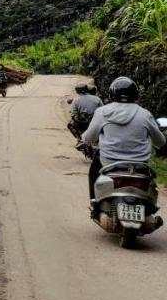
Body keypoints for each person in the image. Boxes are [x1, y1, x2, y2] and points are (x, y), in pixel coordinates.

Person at [81, 77, 167, 219]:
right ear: (136, 95)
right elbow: (160, 141)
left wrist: (84, 140)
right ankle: (149, 206)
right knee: (151, 178)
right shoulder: (145, 114)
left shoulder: (103, 112)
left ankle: (95, 206)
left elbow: (89, 137)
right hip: (139, 165)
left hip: (108, 164)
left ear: (112, 94)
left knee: (93, 173)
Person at [68, 84, 102, 158]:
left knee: (70, 124)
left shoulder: (76, 100)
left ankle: (79, 139)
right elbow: (103, 110)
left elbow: (73, 114)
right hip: (96, 122)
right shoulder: (97, 99)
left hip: (83, 123)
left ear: (77, 91)